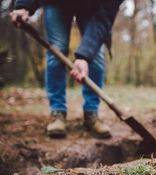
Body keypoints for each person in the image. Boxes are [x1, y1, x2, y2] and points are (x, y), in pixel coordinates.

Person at [10, 0, 125, 138]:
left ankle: (91, 112)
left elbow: (104, 17)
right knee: (57, 49)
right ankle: (58, 112)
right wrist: (25, 5)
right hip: (57, 3)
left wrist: (84, 56)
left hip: (93, 6)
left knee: (96, 55)